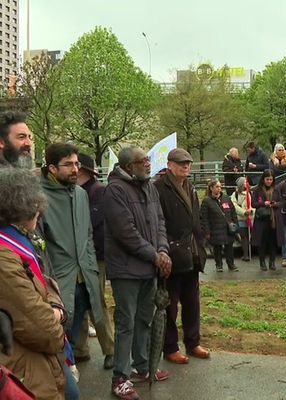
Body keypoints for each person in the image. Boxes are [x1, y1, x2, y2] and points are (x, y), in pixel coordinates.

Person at [104, 147, 172, 399]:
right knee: (126, 323)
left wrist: (163, 250)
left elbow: (160, 222)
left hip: (149, 267)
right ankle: (120, 376)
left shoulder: (150, 187)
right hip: (126, 270)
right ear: (129, 166)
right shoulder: (115, 191)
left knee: (145, 319)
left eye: (148, 160)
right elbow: (126, 233)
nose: (148, 164)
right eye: (143, 161)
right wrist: (155, 255)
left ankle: (142, 367)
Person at [0, 168, 66, 400]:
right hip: (24, 370)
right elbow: (44, 331)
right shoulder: (5, 256)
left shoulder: (23, 240)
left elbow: (46, 282)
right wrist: (57, 317)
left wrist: (55, 308)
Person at [40, 143, 104, 349]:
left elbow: (87, 234)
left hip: (84, 278)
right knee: (58, 337)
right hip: (58, 281)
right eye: (68, 164)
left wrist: (91, 267)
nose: (75, 169)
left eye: (76, 163)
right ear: (52, 168)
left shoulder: (80, 194)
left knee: (74, 337)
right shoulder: (38, 197)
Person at [155, 148, 210, 365]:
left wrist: (201, 241)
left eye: (187, 163)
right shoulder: (159, 187)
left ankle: (192, 341)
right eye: (180, 163)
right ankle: (170, 347)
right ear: (169, 164)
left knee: (192, 302)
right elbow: (158, 221)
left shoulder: (190, 186)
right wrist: (166, 248)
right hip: (172, 254)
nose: (185, 166)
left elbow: (195, 219)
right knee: (170, 304)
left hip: (193, 252)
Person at [73, 153, 115, 370]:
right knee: (77, 301)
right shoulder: (74, 191)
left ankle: (110, 350)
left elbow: (94, 224)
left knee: (96, 302)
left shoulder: (98, 191)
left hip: (94, 257)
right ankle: (80, 349)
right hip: (76, 258)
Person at [200, 179, 239, 272]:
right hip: (215, 229)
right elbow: (203, 217)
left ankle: (231, 264)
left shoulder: (226, 198)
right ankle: (219, 265)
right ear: (211, 188)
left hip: (227, 228)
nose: (219, 189)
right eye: (217, 187)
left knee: (229, 247)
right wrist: (207, 231)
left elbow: (233, 212)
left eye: (220, 187)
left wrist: (235, 224)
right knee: (217, 248)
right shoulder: (206, 201)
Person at [251, 170, 279, 271]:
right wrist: (264, 203)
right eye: (267, 179)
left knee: (273, 242)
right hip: (262, 219)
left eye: (271, 179)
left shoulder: (276, 189)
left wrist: (275, 204)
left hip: (273, 219)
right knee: (262, 242)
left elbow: (281, 202)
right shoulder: (257, 190)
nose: (269, 181)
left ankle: (272, 262)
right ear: (263, 179)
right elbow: (253, 204)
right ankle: (262, 262)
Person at [232, 177, 254, 262]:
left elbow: (253, 204)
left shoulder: (250, 193)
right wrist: (244, 212)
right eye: (245, 182)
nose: (246, 183)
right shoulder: (235, 194)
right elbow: (235, 206)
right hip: (241, 218)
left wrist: (251, 210)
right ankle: (245, 254)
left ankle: (250, 252)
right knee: (244, 237)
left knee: (249, 237)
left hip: (250, 218)